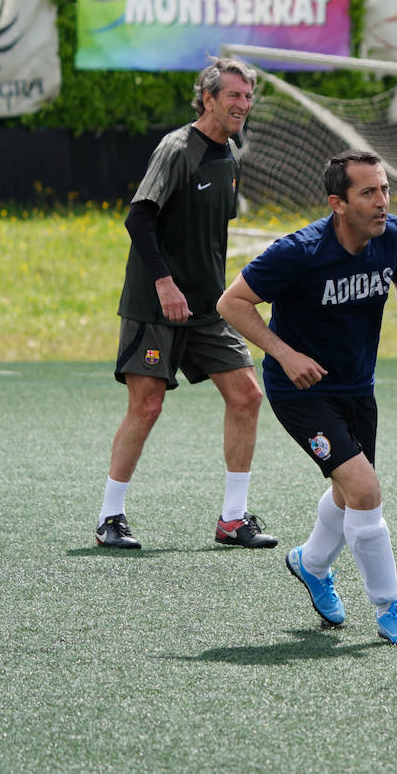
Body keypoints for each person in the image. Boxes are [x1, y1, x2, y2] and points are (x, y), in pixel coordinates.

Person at [216, 150, 397, 646]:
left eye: (384, 190)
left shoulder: (391, 235)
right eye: (369, 193)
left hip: (358, 386)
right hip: (301, 391)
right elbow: (231, 302)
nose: (382, 202)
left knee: (347, 490)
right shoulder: (299, 251)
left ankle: (311, 564)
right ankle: (389, 608)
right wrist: (284, 353)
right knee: (365, 489)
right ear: (338, 202)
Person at [95, 57, 276, 550]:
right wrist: (164, 284)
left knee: (247, 396)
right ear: (209, 98)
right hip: (156, 306)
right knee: (147, 405)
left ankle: (233, 520)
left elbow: (207, 237)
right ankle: (110, 517)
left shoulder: (231, 156)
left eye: (247, 96)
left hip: (208, 308)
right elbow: (139, 218)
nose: (242, 104)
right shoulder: (177, 148)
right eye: (233, 95)